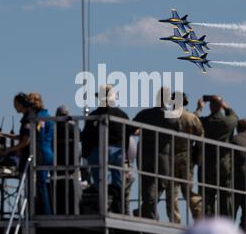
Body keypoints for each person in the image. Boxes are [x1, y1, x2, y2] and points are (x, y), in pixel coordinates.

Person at [81, 84, 130, 213]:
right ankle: (119, 207)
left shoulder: (94, 115)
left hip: (99, 151)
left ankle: (103, 204)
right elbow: (126, 135)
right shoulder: (122, 115)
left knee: (99, 180)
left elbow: (86, 136)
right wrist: (125, 154)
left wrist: (85, 154)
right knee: (118, 181)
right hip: (118, 152)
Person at [132, 87, 180, 220]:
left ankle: (146, 210)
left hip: (144, 152)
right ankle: (147, 211)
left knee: (147, 184)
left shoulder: (145, 114)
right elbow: (178, 130)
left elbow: (131, 128)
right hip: (162, 154)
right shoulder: (171, 116)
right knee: (162, 183)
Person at [195, 95, 238, 217]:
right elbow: (235, 116)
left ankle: (208, 227)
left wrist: (199, 108)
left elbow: (192, 121)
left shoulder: (204, 122)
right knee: (225, 197)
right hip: (225, 165)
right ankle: (225, 227)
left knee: (207, 198)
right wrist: (224, 105)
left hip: (207, 165)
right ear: (221, 106)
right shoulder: (229, 122)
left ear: (209, 106)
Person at [166, 92, 204, 223]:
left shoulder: (167, 118)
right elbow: (200, 138)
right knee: (188, 190)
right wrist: (198, 159)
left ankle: (175, 221)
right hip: (187, 158)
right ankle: (199, 217)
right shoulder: (192, 118)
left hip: (170, 158)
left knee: (171, 192)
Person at [28, 92, 54, 215]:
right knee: (42, 182)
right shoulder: (46, 115)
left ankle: (46, 212)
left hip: (42, 152)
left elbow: (40, 134)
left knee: (41, 183)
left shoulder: (41, 118)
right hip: (47, 150)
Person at [54, 105, 80, 215]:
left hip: (56, 161)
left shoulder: (54, 128)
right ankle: (72, 209)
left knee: (57, 187)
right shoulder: (73, 128)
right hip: (71, 161)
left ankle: (58, 209)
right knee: (70, 186)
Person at [0, 93, 33, 173]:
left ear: (21, 104)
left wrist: (8, 150)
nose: (14, 106)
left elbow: (25, 142)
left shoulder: (28, 119)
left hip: (27, 157)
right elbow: (21, 137)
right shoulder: (29, 116)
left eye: (16, 104)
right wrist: (3, 134)